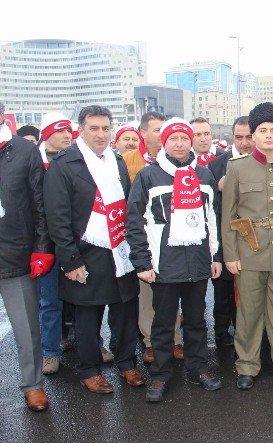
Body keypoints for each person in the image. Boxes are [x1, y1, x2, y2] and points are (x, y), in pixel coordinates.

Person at [44, 105, 143, 394]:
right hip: (86, 253)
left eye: (105, 128)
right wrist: (70, 261)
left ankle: (126, 362)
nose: (100, 134)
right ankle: (89, 370)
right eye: (93, 128)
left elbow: (127, 202)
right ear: (81, 130)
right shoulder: (65, 164)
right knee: (88, 316)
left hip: (120, 250)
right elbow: (58, 219)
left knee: (125, 309)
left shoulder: (116, 159)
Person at [126, 117, 223, 403]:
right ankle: (160, 373)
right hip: (164, 264)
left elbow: (212, 220)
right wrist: (142, 262)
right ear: (163, 142)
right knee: (163, 323)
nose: (179, 144)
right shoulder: (148, 176)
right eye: (173, 139)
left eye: (184, 138)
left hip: (197, 261)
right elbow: (135, 222)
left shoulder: (204, 175)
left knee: (196, 321)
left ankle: (198, 368)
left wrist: (215, 255)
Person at [221, 102, 273, 390]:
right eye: (262, 131)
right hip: (249, 248)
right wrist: (230, 255)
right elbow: (229, 216)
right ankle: (247, 364)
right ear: (253, 136)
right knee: (249, 311)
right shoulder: (236, 168)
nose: (268, 136)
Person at [0, 102, 52, 411]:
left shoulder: (22, 150)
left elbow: (39, 204)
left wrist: (41, 248)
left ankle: (32, 384)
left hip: (15, 251)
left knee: (26, 326)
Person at [124, 112, 183, 364]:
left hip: (176, 239)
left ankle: (175, 339)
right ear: (143, 133)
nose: (163, 135)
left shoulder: (179, 162)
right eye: (158, 130)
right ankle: (150, 341)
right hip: (147, 239)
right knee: (147, 295)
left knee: (174, 292)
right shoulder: (128, 162)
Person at [208, 116, 255, 348]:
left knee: (249, 294)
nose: (245, 142)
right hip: (225, 237)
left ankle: (245, 335)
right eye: (239, 137)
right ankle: (220, 333)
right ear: (232, 138)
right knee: (223, 291)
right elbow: (211, 208)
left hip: (253, 239)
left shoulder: (264, 162)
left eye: (249, 137)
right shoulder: (217, 165)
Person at [36, 113, 73, 375]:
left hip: (73, 239)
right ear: (47, 134)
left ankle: (93, 344)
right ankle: (50, 351)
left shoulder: (74, 160)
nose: (66, 136)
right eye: (60, 131)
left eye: (69, 131)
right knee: (49, 301)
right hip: (45, 242)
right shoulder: (33, 161)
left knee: (86, 299)